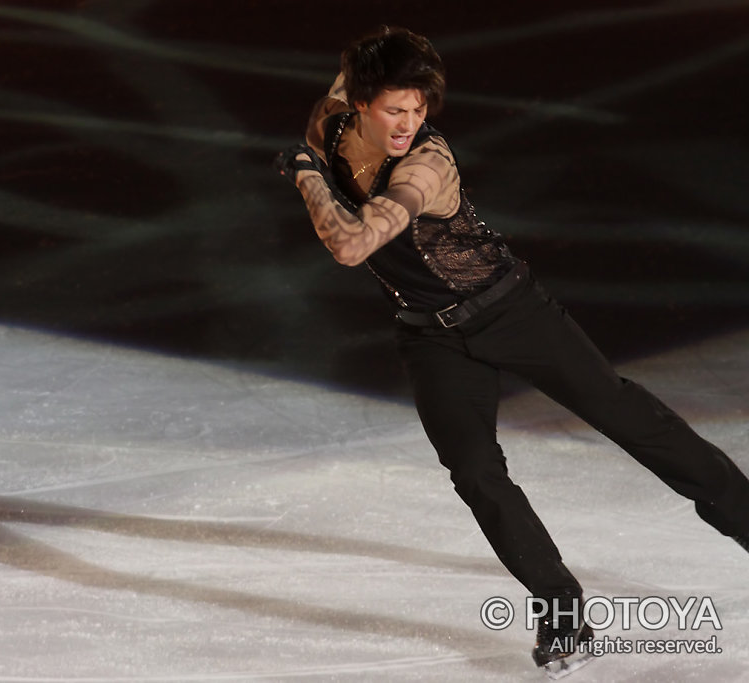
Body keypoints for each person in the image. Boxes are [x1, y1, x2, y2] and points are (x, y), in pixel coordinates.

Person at [274, 26, 749, 677]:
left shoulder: (426, 163)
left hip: (510, 309)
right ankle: (563, 613)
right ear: (358, 102)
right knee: (475, 472)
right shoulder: (332, 122)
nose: (410, 122)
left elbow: (353, 244)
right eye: (395, 109)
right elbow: (349, 66)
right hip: (430, 335)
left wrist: (307, 179)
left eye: (419, 109)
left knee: (632, 418)